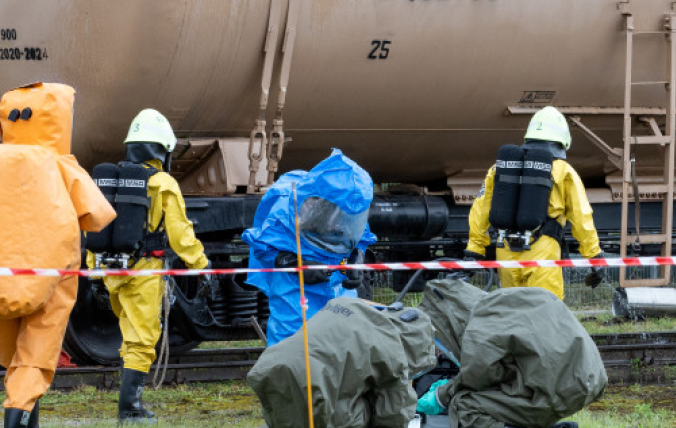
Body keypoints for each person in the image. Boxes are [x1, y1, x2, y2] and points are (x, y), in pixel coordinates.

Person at [0, 82, 116, 427]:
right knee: (33, 359)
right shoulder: (59, 165)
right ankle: (19, 415)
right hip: (48, 281)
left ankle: (24, 409)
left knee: (11, 359)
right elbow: (98, 217)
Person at [91, 109, 209, 424]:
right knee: (142, 338)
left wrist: (93, 269)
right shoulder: (163, 183)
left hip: (111, 271)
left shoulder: (110, 179)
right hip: (144, 272)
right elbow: (181, 235)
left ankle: (129, 404)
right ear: (161, 149)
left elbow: (92, 225)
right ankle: (129, 408)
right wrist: (201, 265)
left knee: (129, 334)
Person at [416, 277, 605, 428]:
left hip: (560, 390)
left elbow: (478, 381)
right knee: (505, 399)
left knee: (465, 404)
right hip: (588, 378)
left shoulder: (477, 330)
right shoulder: (499, 306)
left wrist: (442, 395)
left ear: (448, 323)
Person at [463, 106, 603, 299]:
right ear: (562, 140)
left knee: (511, 314)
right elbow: (581, 216)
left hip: (505, 251)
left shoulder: (500, 168)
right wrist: (594, 257)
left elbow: (480, 210)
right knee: (545, 314)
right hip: (542, 253)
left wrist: (474, 250)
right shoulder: (564, 171)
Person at [242, 149, 377, 345]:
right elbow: (262, 247)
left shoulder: (351, 207)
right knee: (293, 343)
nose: (337, 224)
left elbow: (361, 238)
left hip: (338, 284)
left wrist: (357, 259)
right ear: (320, 203)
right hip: (294, 288)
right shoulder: (285, 211)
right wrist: (294, 263)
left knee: (342, 336)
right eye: (335, 214)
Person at [246, 297, 435, 428]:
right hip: (315, 385)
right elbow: (394, 411)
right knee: (362, 407)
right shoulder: (392, 349)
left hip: (269, 367)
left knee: (287, 418)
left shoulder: (345, 305)